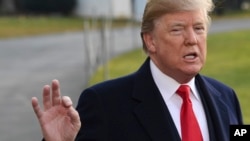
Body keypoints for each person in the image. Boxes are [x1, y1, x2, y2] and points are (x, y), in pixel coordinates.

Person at [31, 0, 243, 141]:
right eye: (177, 29)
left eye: (199, 28)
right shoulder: (104, 103)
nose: (192, 39)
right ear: (150, 41)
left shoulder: (226, 96)